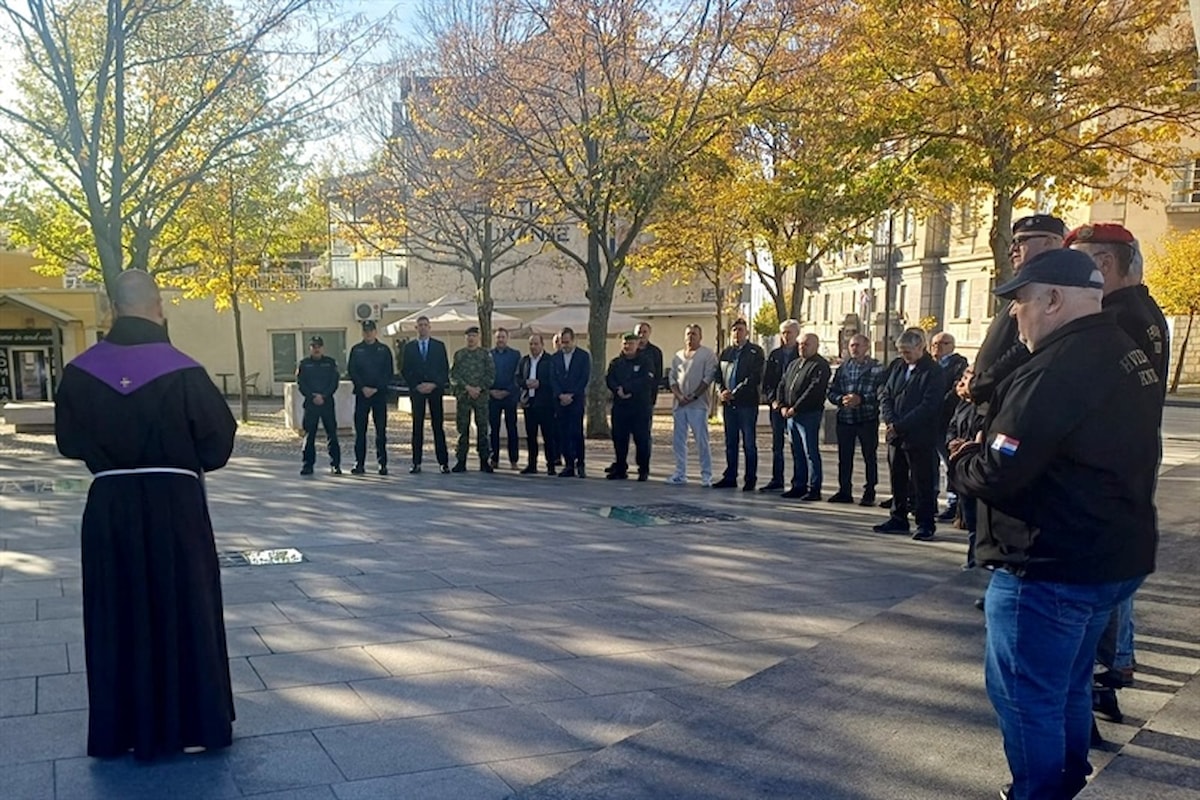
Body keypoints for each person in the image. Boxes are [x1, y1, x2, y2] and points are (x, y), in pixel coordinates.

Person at [949, 248, 1160, 800]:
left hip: (1047, 566)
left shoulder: (1055, 367)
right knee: (1066, 683)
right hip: (1108, 555)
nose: (1015, 314)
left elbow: (999, 469)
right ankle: (1064, 776)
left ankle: (1038, 790)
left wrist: (961, 457)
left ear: (1053, 299)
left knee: (1024, 696)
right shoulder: (1123, 348)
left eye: (1019, 301)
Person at [54, 269, 237, 760]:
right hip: (174, 505)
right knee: (185, 606)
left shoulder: (80, 371)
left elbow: (68, 442)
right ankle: (191, 720)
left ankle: (122, 728)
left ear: (114, 309)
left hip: (110, 506)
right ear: (157, 306)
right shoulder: (183, 369)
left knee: (117, 610)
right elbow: (218, 443)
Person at [1068, 222, 1171, 717]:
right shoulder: (1146, 312)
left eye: (1081, 263)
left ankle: (1104, 672)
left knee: (1101, 572)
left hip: (1108, 465)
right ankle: (1117, 662)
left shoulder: (1112, 317)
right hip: (1133, 457)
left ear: (1105, 264)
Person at [966, 214, 1066, 406]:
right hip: (989, 403)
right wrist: (973, 372)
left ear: (1049, 242)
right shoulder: (1025, 285)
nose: (1012, 249)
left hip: (1009, 402)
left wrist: (979, 384)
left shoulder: (1051, 286)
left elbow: (1023, 348)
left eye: (1021, 241)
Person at [874, 328, 945, 540]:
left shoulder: (933, 371)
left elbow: (929, 405)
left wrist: (902, 424)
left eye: (908, 351)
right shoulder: (897, 367)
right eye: (902, 351)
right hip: (896, 434)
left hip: (919, 435)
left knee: (922, 481)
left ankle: (925, 523)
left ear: (920, 347)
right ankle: (898, 518)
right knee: (898, 478)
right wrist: (890, 420)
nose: (905, 356)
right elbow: (885, 393)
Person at [826, 333, 883, 505]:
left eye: (858, 345)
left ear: (867, 347)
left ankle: (870, 491)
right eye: (852, 346)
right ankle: (844, 490)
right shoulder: (843, 368)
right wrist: (840, 400)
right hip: (845, 418)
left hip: (867, 418)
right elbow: (832, 391)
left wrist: (861, 399)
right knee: (844, 457)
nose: (855, 349)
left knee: (869, 457)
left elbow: (881, 393)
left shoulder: (877, 368)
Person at [711, 318, 765, 491]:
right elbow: (717, 375)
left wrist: (735, 392)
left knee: (749, 443)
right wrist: (722, 391)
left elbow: (754, 377)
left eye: (741, 329)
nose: (737, 333)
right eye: (734, 330)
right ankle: (730, 476)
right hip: (729, 405)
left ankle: (750, 479)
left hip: (746, 404)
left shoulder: (755, 352)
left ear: (747, 332)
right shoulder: (726, 352)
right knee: (730, 442)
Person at [777, 332, 831, 500]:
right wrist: (782, 404)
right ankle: (799, 485)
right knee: (796, 451)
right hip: (790, 415)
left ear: (816, 346)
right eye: (800, 344)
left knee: (810, 452)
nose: (802, 347)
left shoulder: (820, 366)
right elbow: (783, 384)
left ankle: (814, 488)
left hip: (808, 414)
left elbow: (813, 391)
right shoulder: (794, 363)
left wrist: (796, 408)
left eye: (806, 344)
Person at [666, 324, 718, 486]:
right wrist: (679, 396)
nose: (690, 337)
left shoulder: (707, 355)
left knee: (701, 440)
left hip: (698, 405)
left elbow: (708, 377)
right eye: (688, 334)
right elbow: (672, 378)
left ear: (700, 337)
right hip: (680, 405)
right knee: (679, 440)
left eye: (694, 334)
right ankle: (680, 473)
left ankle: (706, 475)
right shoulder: (678, 356)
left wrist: (694, 395)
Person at [401, 316, 451, 474]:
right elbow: (405, 369)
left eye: (425, 325)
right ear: (416, 328)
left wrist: (434, 384)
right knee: (417, 426)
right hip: (417, 391)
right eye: (420, 325)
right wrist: (417, 385)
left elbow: (444, 369)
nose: (422, 328)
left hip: (435, 390)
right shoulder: (409, 347)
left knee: (438, 426)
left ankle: (443, 462)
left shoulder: (439, 346)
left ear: (430, 327)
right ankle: (416, 462)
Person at [605, 331, 654, 480]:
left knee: (642, 439)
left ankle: (643, 469)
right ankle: (620, 468)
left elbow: (647, 380)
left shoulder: (646, 361)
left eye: (631, 343)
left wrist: (628, 389)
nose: (628, 346)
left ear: (637, 344)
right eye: (625, 343)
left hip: (639, 407)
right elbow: (610, 379)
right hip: (621, 407)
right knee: (619, 439)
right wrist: (617, 389)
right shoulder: (616, 363)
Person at [347, 319, 394, 476]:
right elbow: (352, 371)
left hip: (379, 395)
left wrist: (376, 388)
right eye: (365, 330)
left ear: (375, 332)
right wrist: (363, 387)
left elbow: (388, 372)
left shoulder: (384, 349)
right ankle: (359, 463)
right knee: (360, 431)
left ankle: (382, 464)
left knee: (381, 431)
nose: (368, 333)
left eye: (371, 330)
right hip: (362, 395)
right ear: (362, 332)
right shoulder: (356, 350)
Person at [930, 331, 969, 520]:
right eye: (935, 343)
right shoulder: (928, 365)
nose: (938, 347)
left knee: (949, 463)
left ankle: (954, 503)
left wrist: (934, 405)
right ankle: (930, 499)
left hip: (946, 420)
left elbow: (954, 391)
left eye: (944, 343)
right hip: (928, 421)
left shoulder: (958, 365)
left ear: (952, 346)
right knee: (930, 464)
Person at [760, 319, 801, 492]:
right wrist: (773, 400)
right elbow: (768, 381)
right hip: (777, 407)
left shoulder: (801, 354)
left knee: (796, 445)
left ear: (796, 334)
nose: (786, 336)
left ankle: (798, 481)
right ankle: (777, 478)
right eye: (783, 333)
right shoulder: (775, 355)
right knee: (777, 445)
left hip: (793, 407)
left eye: (789, 332)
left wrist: (791, 404)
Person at [450, 325, 496, 472]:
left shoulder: (485, 355)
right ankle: (461, 460)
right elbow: (453, 375)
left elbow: (491, 375)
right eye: (468, 336)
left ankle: (484, 460)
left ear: (478, 338)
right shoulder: (459, 355)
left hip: (481, 397)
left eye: (474, 336)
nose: (471, 338)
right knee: (462, 429)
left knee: (482, 428)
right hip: (464, 396)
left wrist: (479, 388)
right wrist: (467, 388)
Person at [296, 335, 342, 476]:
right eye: (313, 346)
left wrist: (324, 396)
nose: (316, 349)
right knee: (309, 436)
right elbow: (301, 383)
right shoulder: (304, 364)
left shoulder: (330, 363)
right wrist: (312, 396)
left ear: (323, 348)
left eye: (319, 346)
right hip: (311, 404)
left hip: (327, 403)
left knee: (332, 435)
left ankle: (335, 465)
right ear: (310, 348)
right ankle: (307, 465)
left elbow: (334, 382)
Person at [550, 327, 591, 478]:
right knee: (563, 432)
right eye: (562, 342)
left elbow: (584, 378)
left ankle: (580, 463)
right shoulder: (555, 358)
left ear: (573, 340)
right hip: (560, 401)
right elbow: (552, 378)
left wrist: (572, 394)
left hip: (576, 399)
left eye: (567, 342)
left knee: (576, 432)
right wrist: (560, 394)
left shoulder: (583, 356)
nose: (565, 345)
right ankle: (568, 464)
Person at [517, 333, 558, 475]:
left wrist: (540, 383)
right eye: (531, 344)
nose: (533, 347)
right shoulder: (525, 360)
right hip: (529, 403)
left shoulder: (550, 360)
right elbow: (517, 378)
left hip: (545, 404)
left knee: (548, 436)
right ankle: (531, 464)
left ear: (542, 345)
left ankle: (551, 465)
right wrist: (525, 383)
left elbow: (554, 380)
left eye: (536, 344)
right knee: (531, 436)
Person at [488, 327, 522, 470]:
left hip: (509, 397)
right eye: (498, 337)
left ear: (507, 338)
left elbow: (517, 375)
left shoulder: (515, 355)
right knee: (493, 429)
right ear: (495, 339)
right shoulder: (488, 355)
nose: (500, 339)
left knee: (511, 428)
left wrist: (507, 391)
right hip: (493, 396)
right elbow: (485, 374)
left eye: (503, 337)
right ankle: (493, 458)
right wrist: (491, 391)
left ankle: (513, 460)